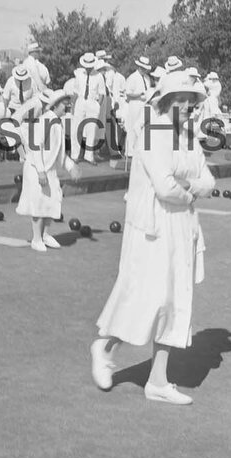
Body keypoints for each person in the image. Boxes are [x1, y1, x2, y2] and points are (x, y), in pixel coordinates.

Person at [91, 71, 215, 405]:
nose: (190, 107)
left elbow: (208, 179)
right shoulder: (152, 132)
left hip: (182, 224)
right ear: (166, 102)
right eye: (183, 101)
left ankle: (158, 381)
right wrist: (189, 189)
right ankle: (104, 348)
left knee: (174, 300)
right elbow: (164, 186)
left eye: (192, 101)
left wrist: (190, 186)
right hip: (153, 227)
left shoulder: (188, 136)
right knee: (147, 297)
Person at [16, 89, 82, 252]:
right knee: (39, 203)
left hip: (49, 169)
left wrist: (70, 166)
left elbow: (58, 152)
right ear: (56, 105)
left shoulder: (57, 123)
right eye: (65, 104)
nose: (68, 106)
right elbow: (35, 146)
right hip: (36, 168)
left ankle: (45, 235)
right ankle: (36, 238)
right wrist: (40, 171)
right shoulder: (45, 121)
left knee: (53, 201)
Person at [68, 52, 106, 165]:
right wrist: (73, 105)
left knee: (91, 130)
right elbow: (75, 92)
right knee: (76, 129)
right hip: (80, 101)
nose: (88, 68)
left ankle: (89, 156)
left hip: (92, 102)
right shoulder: (80, 75)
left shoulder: (99, 76)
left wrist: (97, 105)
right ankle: (75, 155)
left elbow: (102, 94)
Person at [124, 56, 154, 158]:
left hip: (145, 105)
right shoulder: (132, 77)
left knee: (142, 127)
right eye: (142, 68)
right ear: (139, 67)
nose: (144, 70)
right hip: (135, 104)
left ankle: (139, 149)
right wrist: (139, 95)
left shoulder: (147, 78)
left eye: (145, 68)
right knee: (132, 127)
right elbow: (128, 94)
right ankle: (129, 151)